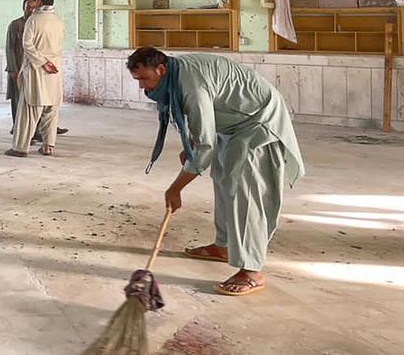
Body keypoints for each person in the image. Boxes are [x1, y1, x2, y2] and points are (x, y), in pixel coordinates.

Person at [127, 47, 305, 296]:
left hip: (257, 120)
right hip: (232, 122)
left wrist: (175, 189)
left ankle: (252, 270)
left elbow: (205, 148)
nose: (142, 86)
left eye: (144, 79)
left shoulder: (191, 86)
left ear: (161, 69)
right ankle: (224, 246)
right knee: (223, 177)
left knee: (245, 190)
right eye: (137, 80)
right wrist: (192, 141)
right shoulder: (177, 72)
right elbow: (202, 118)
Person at [6, 0, 64, 158]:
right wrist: (49, 62)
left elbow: (27, 45)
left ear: (39, 1)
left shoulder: (33, 20)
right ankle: (48, 146)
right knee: (51, 109)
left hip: (37, 69)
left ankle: (20, 148)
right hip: (54, 69)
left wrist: (43, 62)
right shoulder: (58, 21)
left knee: (29, 110)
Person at [5, 0, 38, 131]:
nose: (31, 10)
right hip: (18, 68)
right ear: (23, 8)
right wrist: (12, 68)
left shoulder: (36, 24)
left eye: (34, 7)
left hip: (32, 69)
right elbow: (9, 48)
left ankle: (35, 129)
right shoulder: (15, 25)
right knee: (17, 100)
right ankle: (17, 127)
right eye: (29, 7)